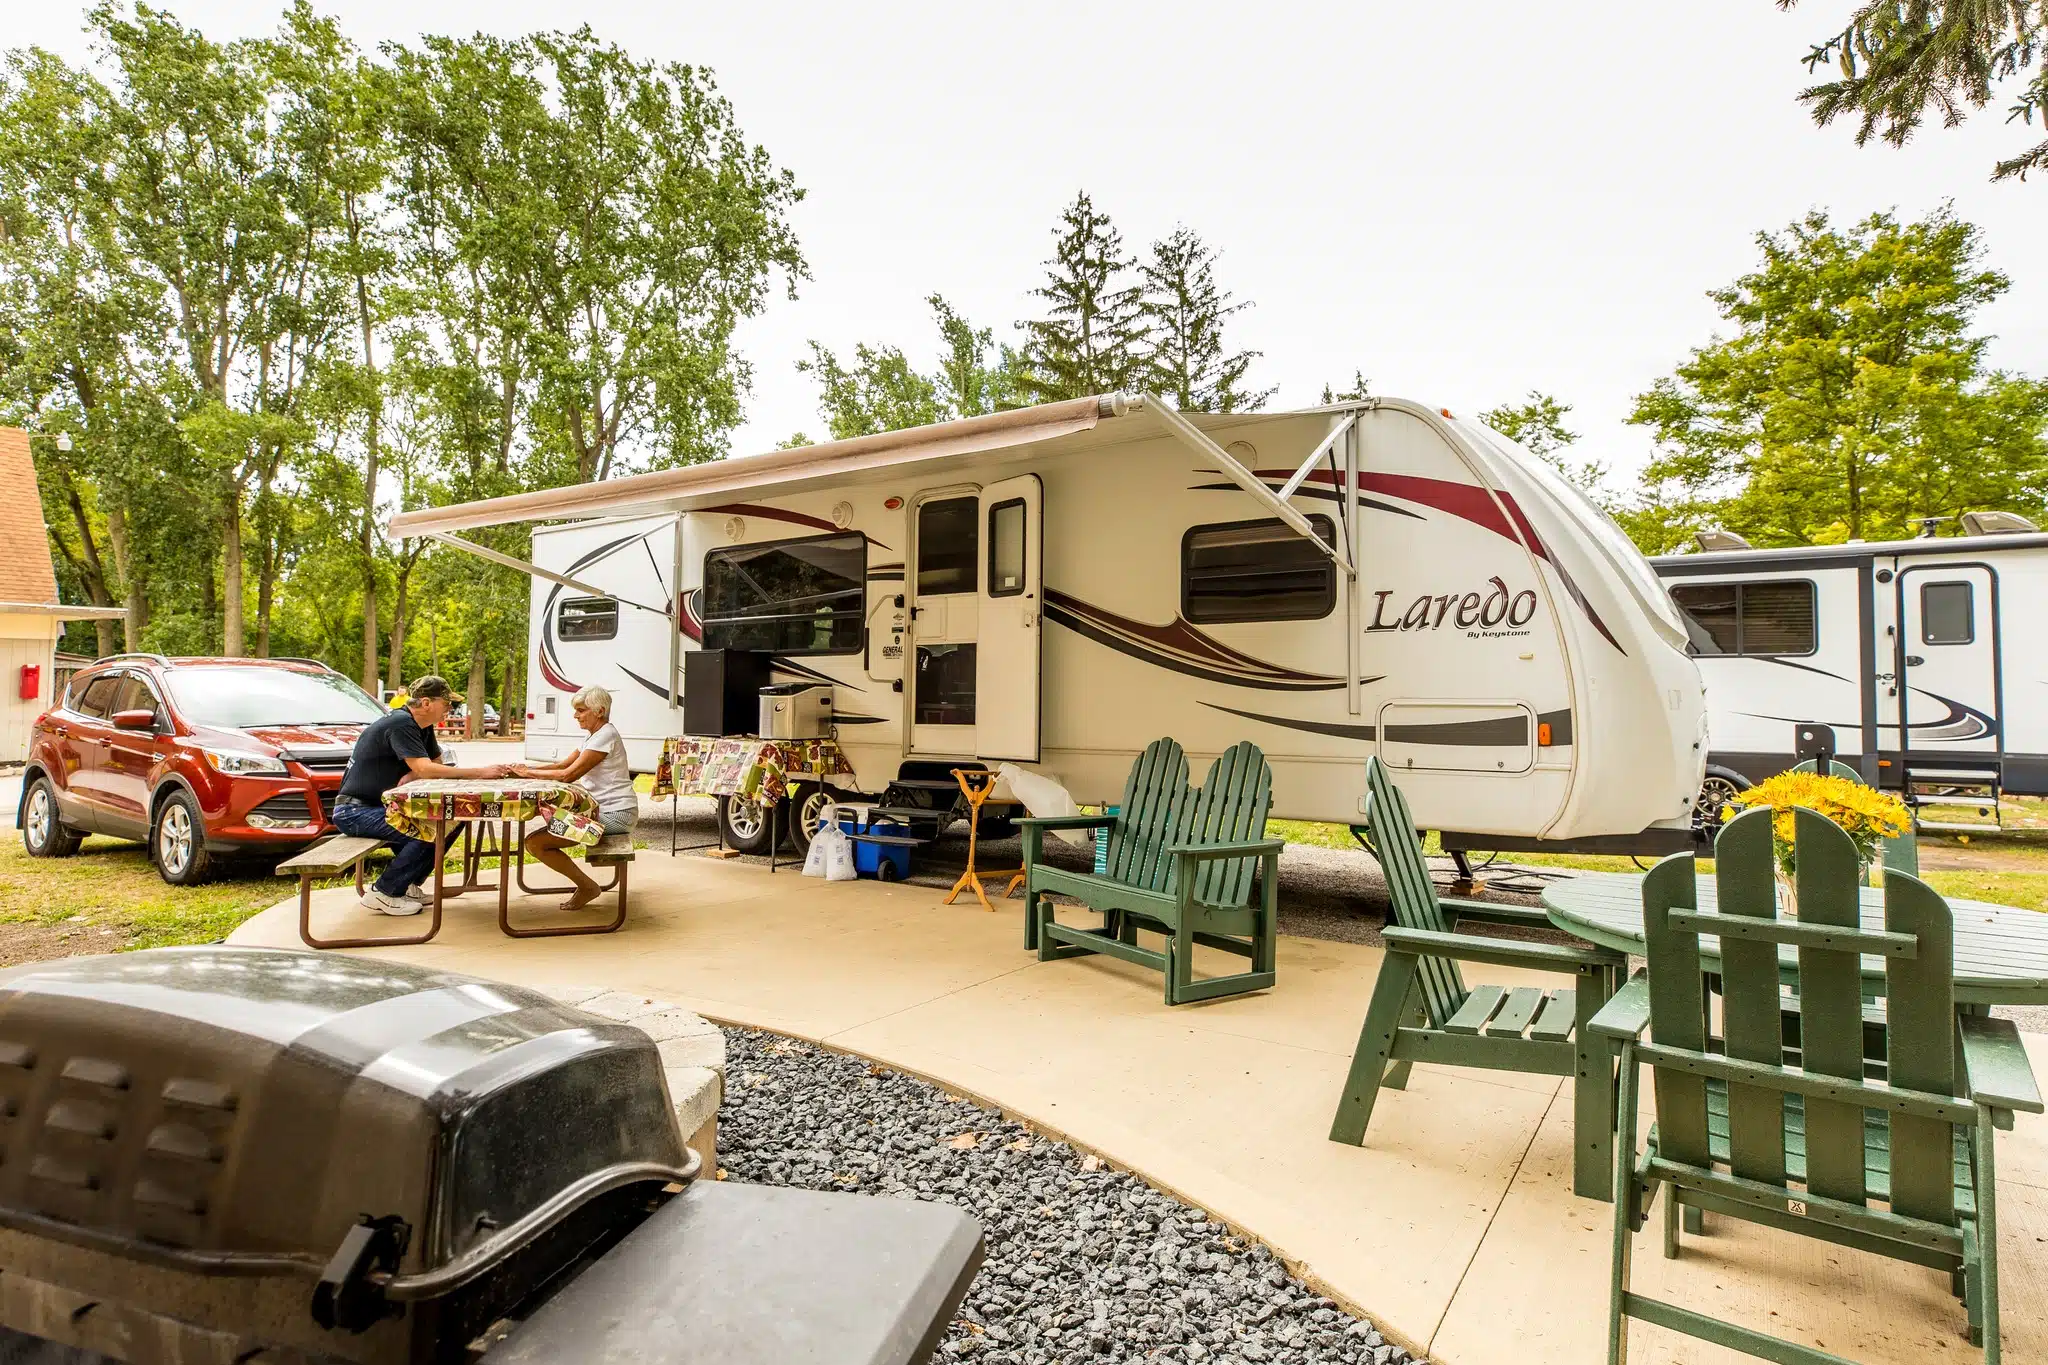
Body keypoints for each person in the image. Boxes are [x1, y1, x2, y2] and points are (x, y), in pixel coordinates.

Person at [331, 675, 513, 915]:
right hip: (356, 811)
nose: (450, 709)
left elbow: (433, 764)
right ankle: (385, 892)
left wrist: (418, 772)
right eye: (446, 703)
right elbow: (427, 769)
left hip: (380, 807)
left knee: (455, 818)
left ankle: (408, 884)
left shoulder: (422, 726)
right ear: (426, 703)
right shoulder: (401, 723)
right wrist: (480, 772)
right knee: (431, 828)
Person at [513, 685, 638, 911]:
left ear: (599, 711)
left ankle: (587, 886)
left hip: (616, 815)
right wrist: (524, 769)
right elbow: (563, 764)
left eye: (581, 710)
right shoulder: (595, 735)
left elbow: (568, 775)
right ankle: (587, 886)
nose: (575, 716)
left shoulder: (605, 736)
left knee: (536, 842)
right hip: (605, 812)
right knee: (541, 833)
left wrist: (527, 773)